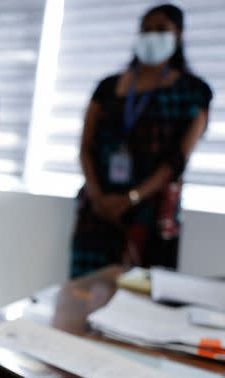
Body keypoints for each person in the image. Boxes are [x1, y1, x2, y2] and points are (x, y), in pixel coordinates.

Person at [70, 3, 212, 278]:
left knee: (141, 294)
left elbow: (177, 159)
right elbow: (86, 147)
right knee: (84, 291)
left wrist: (131, 198)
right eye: (145, 29)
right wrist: (99, 197)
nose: (151, 36)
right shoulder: (109, 87)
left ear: (179, 34)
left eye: (161, 29)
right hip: (98, 205)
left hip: (151, 210)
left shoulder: (193, 92)